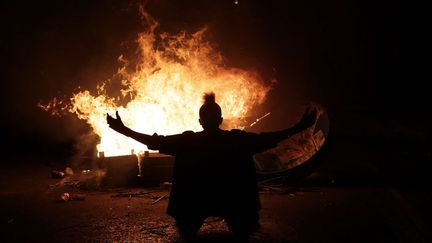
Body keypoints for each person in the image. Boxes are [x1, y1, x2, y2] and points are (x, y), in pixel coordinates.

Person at [107, 92, 317, 242]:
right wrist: (299, 127)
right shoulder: (236, 139)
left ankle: (199, 219)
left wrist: (123, 129)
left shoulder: (188, 141)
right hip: (234, 203)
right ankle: (242, 218)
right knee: (245, 225)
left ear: (200, 121)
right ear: (221, 120)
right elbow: (268, 138)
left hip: (193, 205)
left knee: (187, 228)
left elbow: (154, 141)